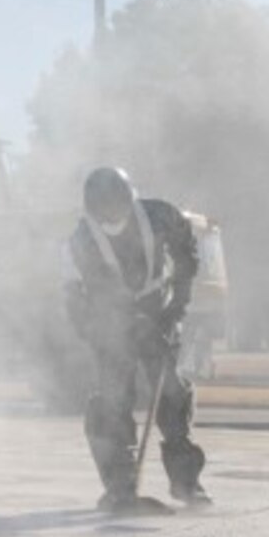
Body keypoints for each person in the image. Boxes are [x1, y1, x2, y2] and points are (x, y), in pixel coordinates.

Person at [65, 166, 210, 510]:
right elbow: (91, 299)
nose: (114, 219)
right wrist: (122, 329)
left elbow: (186, 253)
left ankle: (187, 483)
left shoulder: (161, 215)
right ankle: (119, 487)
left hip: (156, 308)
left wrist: (178, 302)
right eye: (105, 214)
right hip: (107, 321)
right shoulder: (82, 241)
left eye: (119, 209)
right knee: (112, 401)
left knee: (172, 393)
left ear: (131, 201)